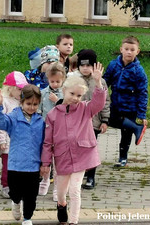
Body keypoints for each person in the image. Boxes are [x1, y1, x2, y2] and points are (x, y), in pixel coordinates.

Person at [41, 64, 107, 225]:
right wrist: (45, 163)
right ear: (64, 91)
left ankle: (73, 221)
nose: (75, 98)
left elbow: (99, 103)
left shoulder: (86, 109)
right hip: (62, 157)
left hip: (82, 155)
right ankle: (61, 205)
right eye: (72, 94)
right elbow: (47, 142)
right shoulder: (52, 115)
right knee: (62, 192)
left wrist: (98, 83)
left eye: (79, 95)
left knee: (75, 190)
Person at [0, 84, 45, 225]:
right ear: (21, 102)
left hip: (33, 166)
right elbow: (0, 123)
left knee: (31, 196)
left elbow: (45, 145)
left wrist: (45, 163)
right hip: (15, 165)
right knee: (15, 192)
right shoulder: (14, 117)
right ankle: (15, 203)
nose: (31, 107)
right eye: (28, 103)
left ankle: (27, 218)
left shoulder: (41, 121)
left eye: (35, 104)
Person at [103, 36, 148, 168]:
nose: (129, 52)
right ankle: (136, 127)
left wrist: (142, 113)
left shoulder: (138, 71)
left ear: (137, 52)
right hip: (115, 103)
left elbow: (143, 92)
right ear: (121, 49)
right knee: (109, 119)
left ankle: (123, 158)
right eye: (126, 49)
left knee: (126, 134)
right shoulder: (113, 65)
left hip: (130, 106)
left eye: (132, 50)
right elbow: (106, 82)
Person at [68, 49, 110, 189]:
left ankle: (91, 177)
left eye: (89, 65)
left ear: (94, 66)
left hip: (94, 123)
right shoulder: (73, 80)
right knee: (76, 149)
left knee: (90, 150)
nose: (85, 68)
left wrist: (105, 120)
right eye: (82, 65)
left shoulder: (100, 81)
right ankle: (78, 174)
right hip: (76, 123)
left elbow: (105, 102)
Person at [0, 71, 28, 198]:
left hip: (21, 141)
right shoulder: (4, 102)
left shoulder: (22, 101)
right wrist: (1, 140)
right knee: (8, 165)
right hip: (8, 142)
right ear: (10, 89)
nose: (22, 92)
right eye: (19, 89)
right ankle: (6, 185)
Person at [37, 62, 66, 199]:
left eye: (58, 81)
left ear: (63, 80)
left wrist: (58, 100)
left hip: (60, 131)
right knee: (46, 158)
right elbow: (39, 110)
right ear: (47, 79)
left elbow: (68, 110)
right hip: (46, 130)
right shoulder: (43, 93)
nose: (55, 84)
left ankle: (58, 188)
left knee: (58, 160)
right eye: (52, 81)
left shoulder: (65, 94)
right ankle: (44, 181)